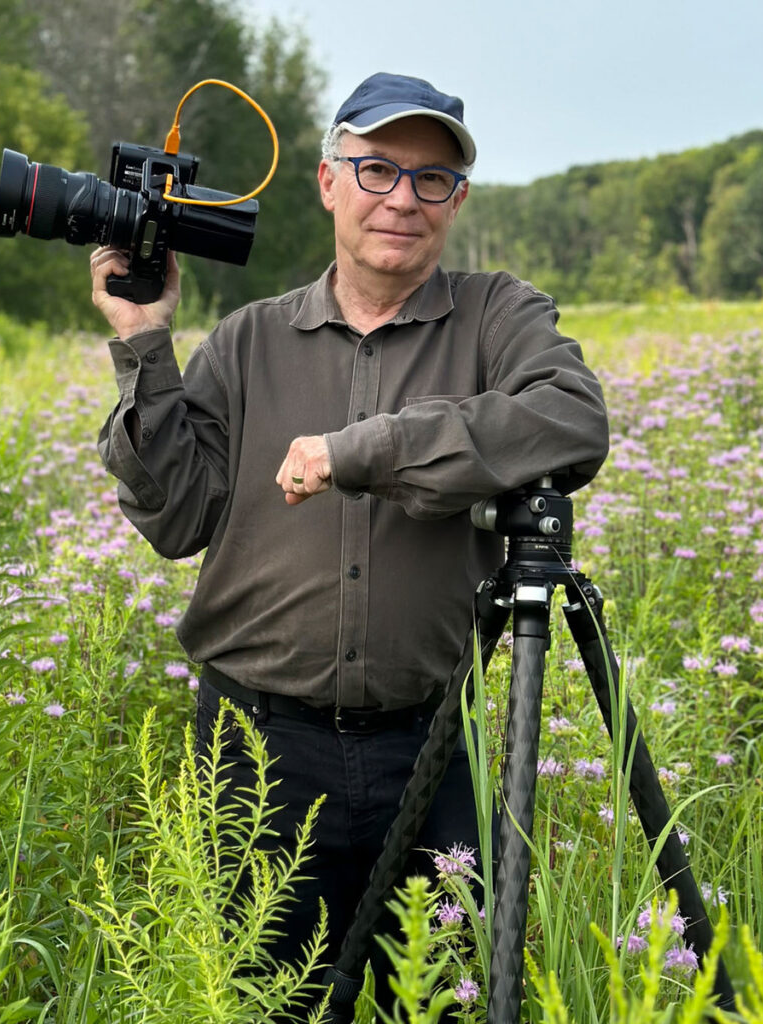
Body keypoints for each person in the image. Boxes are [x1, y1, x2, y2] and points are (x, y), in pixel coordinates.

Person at [92, 72, 609, 1018]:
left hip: (431, 747)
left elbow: (572, 423)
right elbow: (175, 520)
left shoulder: (497, 315)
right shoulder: (249, 341)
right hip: (255, 755)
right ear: (330, 182)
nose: (402, 201)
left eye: (432, 180)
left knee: (447, 1001)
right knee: (266, 1003)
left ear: (459, 200)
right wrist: (143, 345)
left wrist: (364, 450)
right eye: (377, 170)